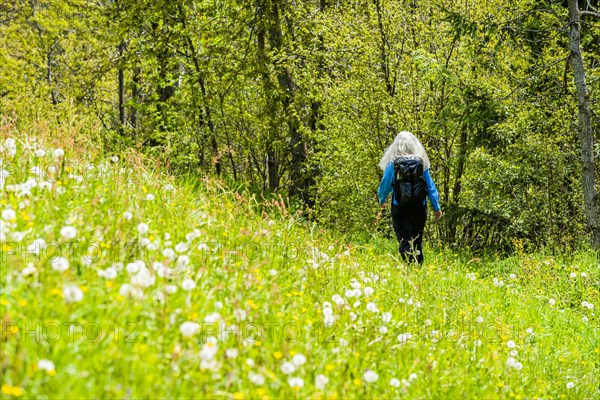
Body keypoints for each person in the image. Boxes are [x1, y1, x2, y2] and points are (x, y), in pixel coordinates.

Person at [378, 131, 442, 264]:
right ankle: (418, 267)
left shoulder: (393, 163)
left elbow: (385, 184)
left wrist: (382, 199)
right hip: (419, 207)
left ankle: (408, 266)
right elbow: (430, 186)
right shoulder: (421, 163)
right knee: (417, 239)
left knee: (404, 239)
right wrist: (437, 207)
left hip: (399, 206)